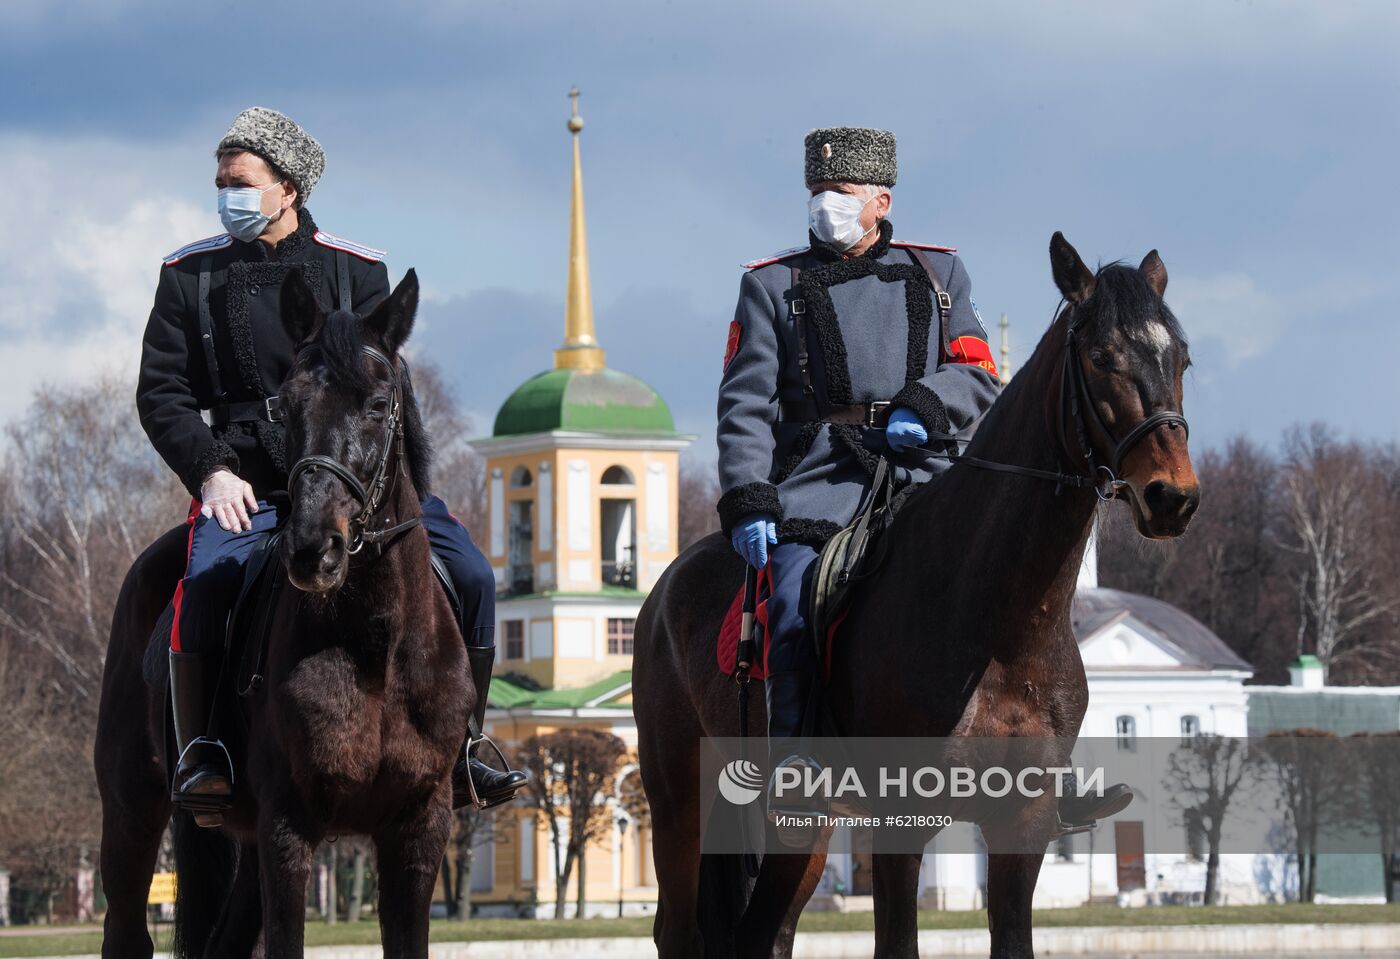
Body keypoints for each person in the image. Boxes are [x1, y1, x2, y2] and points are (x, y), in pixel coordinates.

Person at [137, 106, 526, 819]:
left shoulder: (357, 272)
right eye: (221, 181)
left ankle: (468, 743)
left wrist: (406, 492)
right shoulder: (188, 276)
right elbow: (161, 394)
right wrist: (213, 472)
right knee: (205, 583)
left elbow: (392, 398)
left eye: (241, 180)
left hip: (359, 485)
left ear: (288, 188)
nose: (228, 193)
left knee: (470, 571)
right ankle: (206, 750)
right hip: (245, 486)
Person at [716, 127, 1001, 802]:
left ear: (880, 200)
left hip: (926, 468)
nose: (824, 205)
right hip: (821, 476)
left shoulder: (940, 274)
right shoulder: (770, 284)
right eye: (816, 191)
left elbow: (980, 369)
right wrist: (751, 496)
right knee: (789, 599)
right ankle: (795, 755)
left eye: (839, 192)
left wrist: (928, 406)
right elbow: (745, 403)